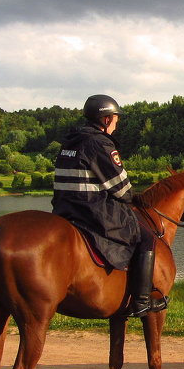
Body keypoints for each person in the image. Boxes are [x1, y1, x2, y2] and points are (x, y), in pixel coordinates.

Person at [52, 94, 164, 318]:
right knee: (147, 238)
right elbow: (122, 189)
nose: (117, 123)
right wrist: (132, 198)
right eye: (115, 119)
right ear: (105, 120)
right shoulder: (100, 143)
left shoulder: (70, 141)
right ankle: (141, 301)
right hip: (91, 211)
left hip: (64, 210)